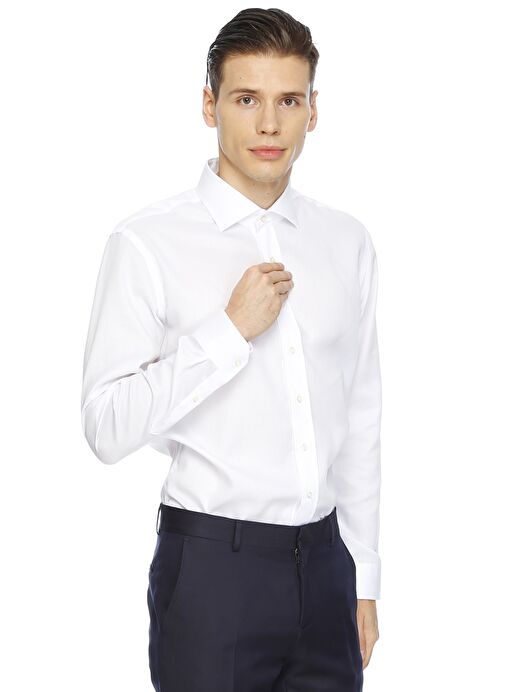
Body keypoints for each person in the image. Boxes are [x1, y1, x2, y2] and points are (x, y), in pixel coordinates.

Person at [80, 7, 382, 691]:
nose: (269, 124)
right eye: (247, 99)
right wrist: (227, 333)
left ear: (313, 111)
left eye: (289, 101)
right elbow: (104, 425)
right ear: (209, 105)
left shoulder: (346, 242)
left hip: (327, 565)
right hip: (214, 571)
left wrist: (362, 575)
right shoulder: (147, 244)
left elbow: (361, 416)